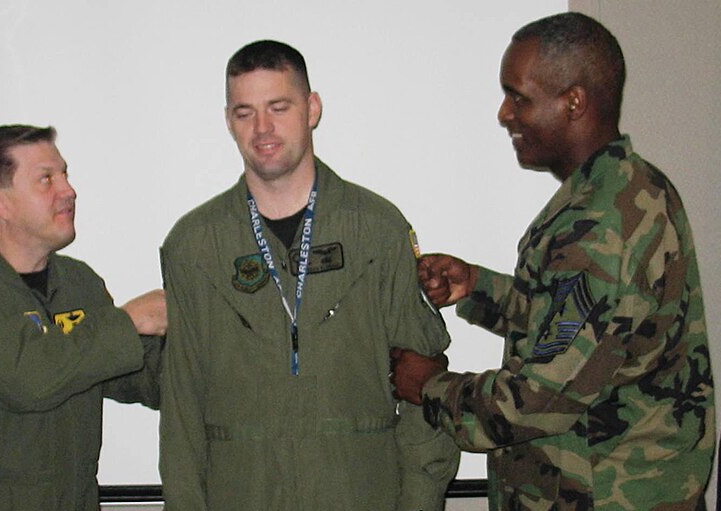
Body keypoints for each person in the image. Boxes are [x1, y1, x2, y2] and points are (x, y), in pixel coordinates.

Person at [390, 12, 715, 510]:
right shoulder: (630, 187)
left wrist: (428, 385)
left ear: (574, 102)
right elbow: (592, 327)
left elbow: (534, 404)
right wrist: (477, 287)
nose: (504, 113)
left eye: (518, 96)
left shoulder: (601, 224)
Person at [159, 40, 459, 511]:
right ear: (227, 121)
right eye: (244, 112)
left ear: (312, 108)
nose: (262, 129)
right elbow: (181, 411)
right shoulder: (194, 246)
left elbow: (425, 386)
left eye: (279, 107)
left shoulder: (376, 229)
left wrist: (420, 502)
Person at [0, 124, 167, 511]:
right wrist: (128, 321)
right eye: (46, 179)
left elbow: (134, 375)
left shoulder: (78, 282)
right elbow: (30, 379)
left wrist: (211, 336)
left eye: (65, 174)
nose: (68, 190)